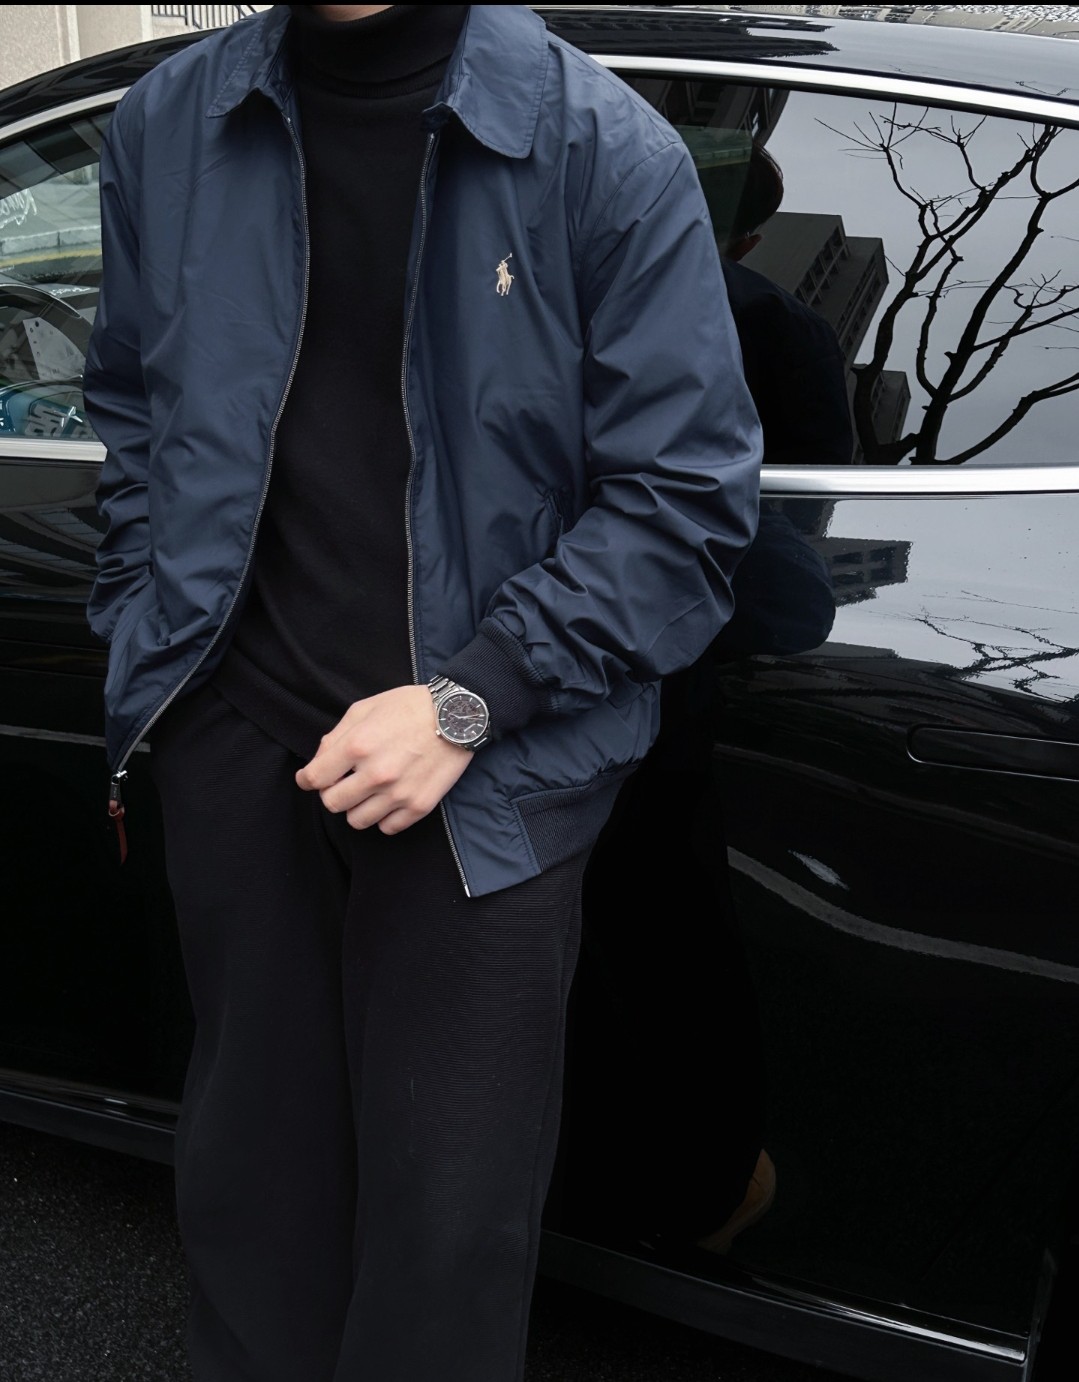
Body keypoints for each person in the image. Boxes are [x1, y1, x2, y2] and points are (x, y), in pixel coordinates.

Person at [84, 5, 761, 1380]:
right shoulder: (168, 122)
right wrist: (158, 656)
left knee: (443, 1244)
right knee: (249, 1204)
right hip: (240, 746)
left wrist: (467, 700)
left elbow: (686, 506)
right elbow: (134, 420)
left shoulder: (598, 145)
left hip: (484, 783)